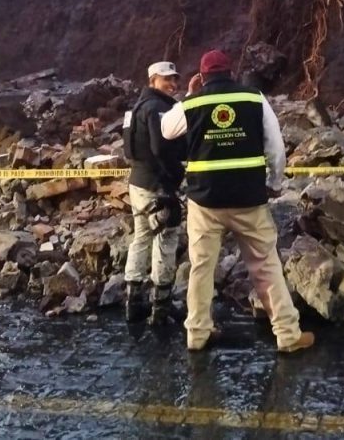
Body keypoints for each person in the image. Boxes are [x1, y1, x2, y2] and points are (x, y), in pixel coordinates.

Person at [161, 49, 314, 354]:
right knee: (266, 265)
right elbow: (276, 148)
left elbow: (167, 130)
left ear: (202, 77)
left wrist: (189, 96)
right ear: (231, 72)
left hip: (205, 202)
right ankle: (287, 334)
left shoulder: (193, 103)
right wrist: (274, 182)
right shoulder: (254, 98)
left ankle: (197, 334)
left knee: (201, 268)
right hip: (248, 198)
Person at [122, 61, 186, 325]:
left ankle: (133, 303)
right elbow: (161, 149)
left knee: (141, 238)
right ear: (153, 80)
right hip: (157, 186)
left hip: (137, 183)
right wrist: (176, 176)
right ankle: (161, 307)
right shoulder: (158, 108)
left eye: (174, 79)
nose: (173, 84)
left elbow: (128, 150)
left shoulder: (135, 108)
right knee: (166, 239)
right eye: (166, 79)